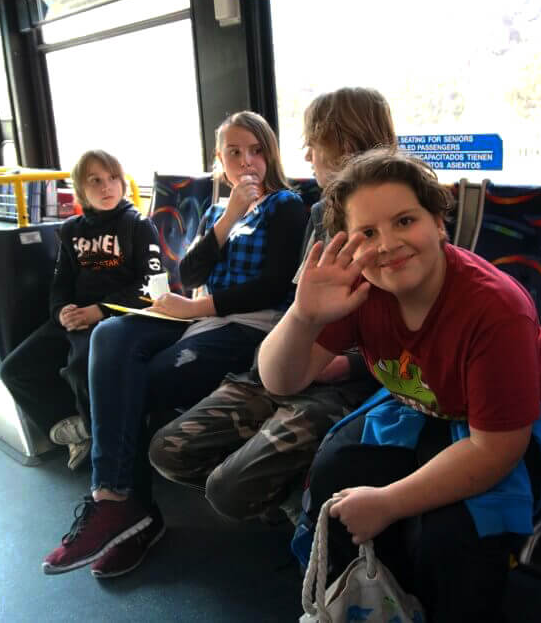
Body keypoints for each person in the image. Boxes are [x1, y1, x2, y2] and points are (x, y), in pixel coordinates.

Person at [258, 150, 541, 622]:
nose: (387, 244)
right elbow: (281, 379)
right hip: (427, 399)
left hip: (508, 420)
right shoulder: (362, 291)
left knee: (454, 536)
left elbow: (496, 449)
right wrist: (304, 316)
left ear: (439, 224)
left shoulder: (496, 310)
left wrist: (388, 503)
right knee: (334, 475)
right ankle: (370, 602)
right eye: (368, 233)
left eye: (404, 220)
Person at [42, 111, 307, 579]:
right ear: (219, 160)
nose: (247, 162)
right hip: (197, 313)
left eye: (256, 150)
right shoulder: (214, 209)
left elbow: (272, 287)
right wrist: (228, 217)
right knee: (109, 335)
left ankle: (134, 515)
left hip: (246, 324)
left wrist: (193, 311)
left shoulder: (287, 205)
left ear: (270, 154)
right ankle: (113, 500)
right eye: (234, 152)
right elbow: (191, 275)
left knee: (139, 382)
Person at [148, 87, 397, 523]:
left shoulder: (396, 222)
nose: (307, 154)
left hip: (347, 380)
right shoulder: (321, 213)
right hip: (290, 359)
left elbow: (406, 329)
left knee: (229, 488)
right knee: (167, 451)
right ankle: (284, 493)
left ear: (346, 145)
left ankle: (295, 504)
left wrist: (347, 364)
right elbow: (292, 304)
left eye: (314, 142)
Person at [0, 150, 161, 471]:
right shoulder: (71, 230)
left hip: (117, 317)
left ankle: (108, 450)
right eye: (95, 181)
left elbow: (153, 285)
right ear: (80, 189)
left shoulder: (138, 226)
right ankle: (79, 428)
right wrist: (61, 311)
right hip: (75, 318)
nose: (107, 187)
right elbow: (61, 282)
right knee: (14, 370)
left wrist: (100, 310)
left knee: (80, 369)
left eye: (113, 178)